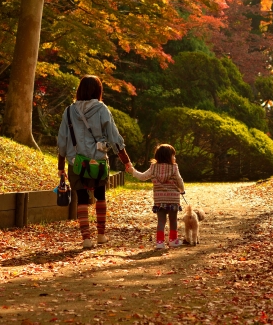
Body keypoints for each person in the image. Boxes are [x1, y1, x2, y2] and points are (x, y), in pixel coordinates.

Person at [57, 75, 132, 249]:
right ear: (98, 90)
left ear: (80, 90)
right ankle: (101, 235)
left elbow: (62, 141)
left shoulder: (69, 111)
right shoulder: (101, 109)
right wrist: (126, 161)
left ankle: (86, 239)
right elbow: (114, 137)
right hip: (97, 162)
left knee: (81, 198)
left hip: (76, 162)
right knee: (100, 196)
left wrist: (61, 167)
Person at [127, 144, 185, 249]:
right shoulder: (174, 167)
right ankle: (173, 240)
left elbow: (142, 176)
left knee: (161, 221)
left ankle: (159, 242)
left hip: (159, 199)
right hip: (173, 198)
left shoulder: (153, 168)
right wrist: (182, 190)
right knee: (173, 220)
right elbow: (179, 180)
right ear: (169, 157)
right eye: (173, 155)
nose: (175, 158)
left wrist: (132, 171)